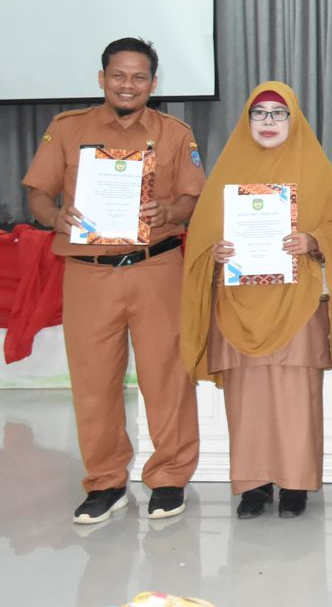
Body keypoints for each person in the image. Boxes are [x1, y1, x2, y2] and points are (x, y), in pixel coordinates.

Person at [23, 37, 203, 524]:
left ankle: (169, 478)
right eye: (119, 75)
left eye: (139, 77)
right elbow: (37, 192)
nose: (128, 85)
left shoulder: (175, 133)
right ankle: (105, 482)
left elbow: (192, 197)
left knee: (167, 378)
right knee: (94, 381)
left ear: (153, 83)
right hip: (89, 274)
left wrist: (171, 211)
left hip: (156, 269)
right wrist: (54, 217)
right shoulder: (67, 128)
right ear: (102, 78)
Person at [179, 82, 332, 519]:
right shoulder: (226, 172)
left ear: (294, 120)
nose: (269, 122)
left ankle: (295, 484)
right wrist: (215, 253)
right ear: (247, 121)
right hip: (239, 305)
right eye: (259, 113)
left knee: (297, 397)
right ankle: (253, 484)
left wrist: (313, 241)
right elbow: (200, 240)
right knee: (247, 400)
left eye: (279, 113)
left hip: (297, 304)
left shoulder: (316, 171)